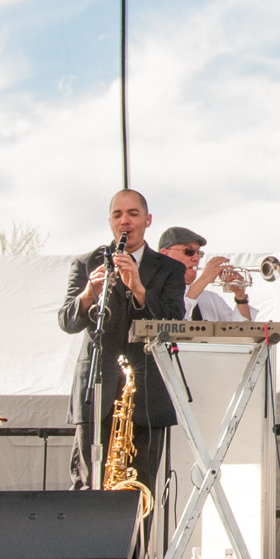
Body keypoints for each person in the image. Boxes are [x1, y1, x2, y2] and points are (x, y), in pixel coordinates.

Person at [58, 189, 187, 494]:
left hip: (146, 393)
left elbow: (173, 321)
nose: (124, 221)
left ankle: (137, 544)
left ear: (147, 220)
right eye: (117, 215)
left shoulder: (170, 269)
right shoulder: (86, 263)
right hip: (97, 390)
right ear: (110, 223)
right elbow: (67, 321)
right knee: (91, 490)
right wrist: (88, 293)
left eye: (132, 214)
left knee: (140, 490)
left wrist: (141, 290)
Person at [157, 226, 254, 322]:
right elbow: (173, 319)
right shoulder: (152, 293)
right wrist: (205, 278)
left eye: (198, 253)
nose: (196, 258)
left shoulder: (213, 299)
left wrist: (240, 297)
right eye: (188, 251)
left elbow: (240, 334)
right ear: (165, 255)